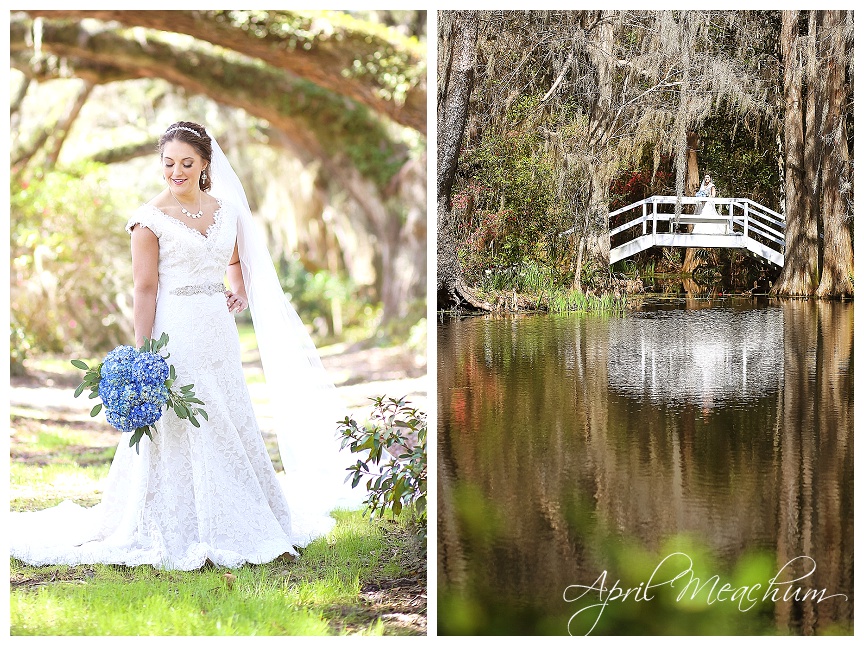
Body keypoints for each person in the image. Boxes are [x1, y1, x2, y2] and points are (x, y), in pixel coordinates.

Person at [10, 121, 360, 570]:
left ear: (205, 165)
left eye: (186, 163)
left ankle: (242, 514)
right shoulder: (147, 220)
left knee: (226, 413)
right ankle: (179, 522)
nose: (176, 171)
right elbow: (144, 290)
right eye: (169, 162)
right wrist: (143, 354)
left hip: (218, 330)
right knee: (184, 418)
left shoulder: (227, 211)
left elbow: (236, 261)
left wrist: (239, 288)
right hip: (174, 330)